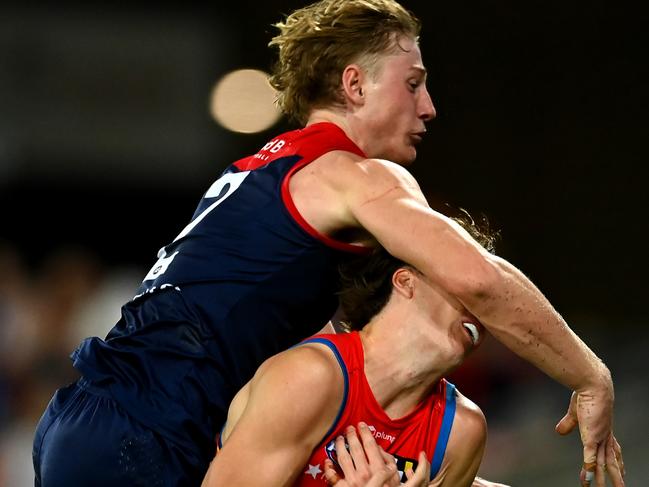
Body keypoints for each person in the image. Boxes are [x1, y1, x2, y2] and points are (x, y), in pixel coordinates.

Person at [33, 1, 624, 486]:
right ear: (354, 84)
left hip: (98, 421)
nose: (429, 107)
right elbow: (479, 278)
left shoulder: (263, 171)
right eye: (413, 84)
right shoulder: (351, 173)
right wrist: (588, 377)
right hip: (149, 434)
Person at [202, 239, 512, 487]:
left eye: (488, 298)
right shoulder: (310, 376)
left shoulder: (461, 431)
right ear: (406, 281)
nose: (482, 306)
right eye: (469, 287)